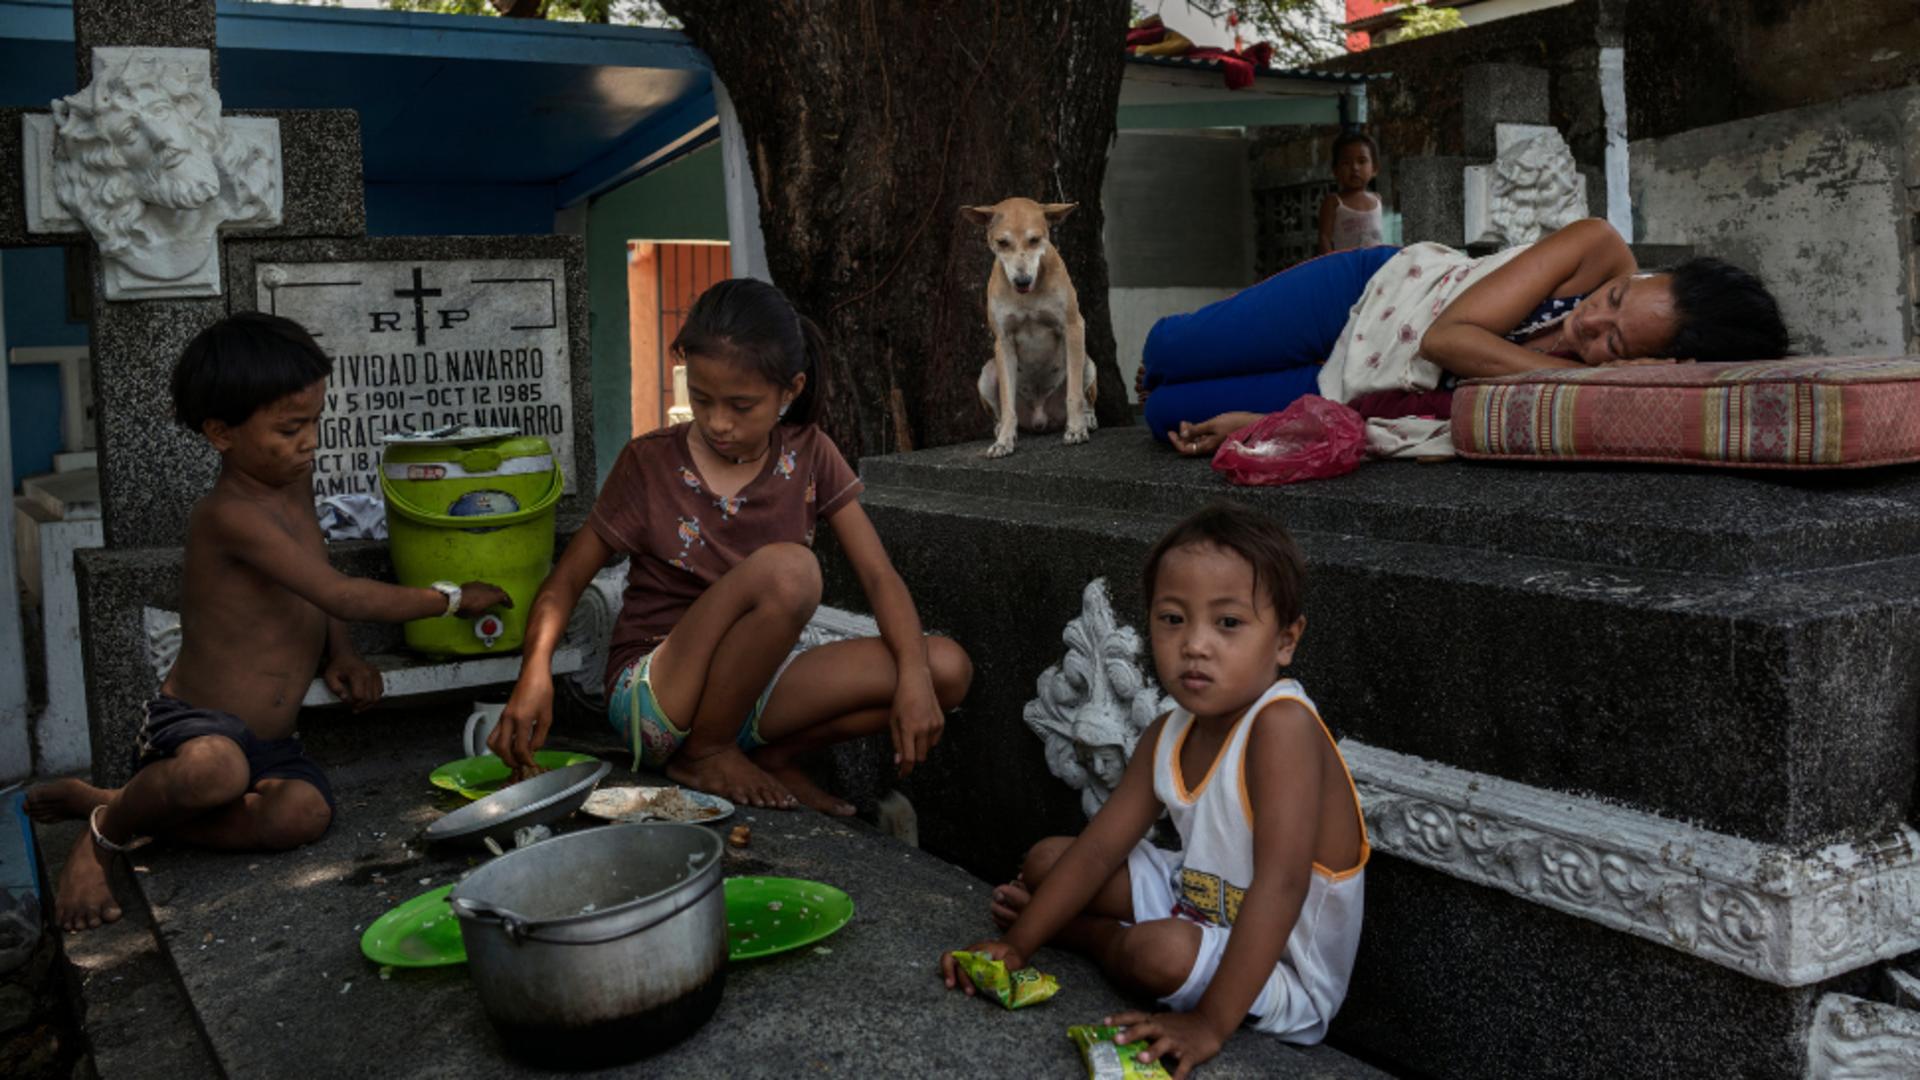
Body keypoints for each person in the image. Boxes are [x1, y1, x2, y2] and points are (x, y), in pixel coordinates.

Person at [25, 313, 511, 932]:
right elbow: (341, 591)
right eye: (289, 428)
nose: (309, 441)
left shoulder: (292, 481)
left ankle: (128, 806)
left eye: (314, 422)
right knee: (214, 771)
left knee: (302, 817)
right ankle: (101, 836)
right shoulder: (227, 515)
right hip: (196, 730)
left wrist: (342, 653)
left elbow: (314, 574)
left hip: (271, 744)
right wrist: (447, 599)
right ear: (221, 433)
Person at [486, 278, 973, 815]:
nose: (719, 423)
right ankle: (704, 753)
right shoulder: (649, 462)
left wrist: (913, 678)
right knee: (792, 571)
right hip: (659, 692)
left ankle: (771, 757)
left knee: (944, 669)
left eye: (742, 405)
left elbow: (880, 576)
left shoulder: (810, 454)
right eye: (701, 399)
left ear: (791, 390)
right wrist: (534, 673)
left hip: (753, 688)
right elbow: (567, 580)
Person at [940, 504, 1367, 1076]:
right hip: (1198, 899)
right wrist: (1019, 946)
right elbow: (1099, 848)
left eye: (1229, 623)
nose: (1195, 645)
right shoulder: (1171, 729)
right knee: (1048, 860)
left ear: (1286, 640)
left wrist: (1209, 1025)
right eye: (1172, 619)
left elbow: (1283, 883)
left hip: (1280, 967)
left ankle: (1090, 937)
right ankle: (1068, 925)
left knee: (1154, 953)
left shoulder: (1282, 726)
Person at [1141, 217, 1790, 454]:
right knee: (1167, 351)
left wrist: (1268, 421)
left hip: (1354, 386)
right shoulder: (1596, 247)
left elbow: (1413, 420)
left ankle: (1166, 385)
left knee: (1165, 415)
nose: (1590, 320)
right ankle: (1177, 353)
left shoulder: (1588, 401)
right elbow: (1446, 340)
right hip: (1370, 297)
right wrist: (1590, 373)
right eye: (1616, 299)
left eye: (1615, 343)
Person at [1317, 131, 1384, 255]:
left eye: (1362, 161)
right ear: (1335, 170)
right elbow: (1324, 238)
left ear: (1374, 169)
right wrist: (1332, 266)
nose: (1355, 167)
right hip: (1347, 269)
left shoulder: (1377, 199)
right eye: (1346, 163)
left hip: (1375, 268)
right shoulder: (1334, 202)